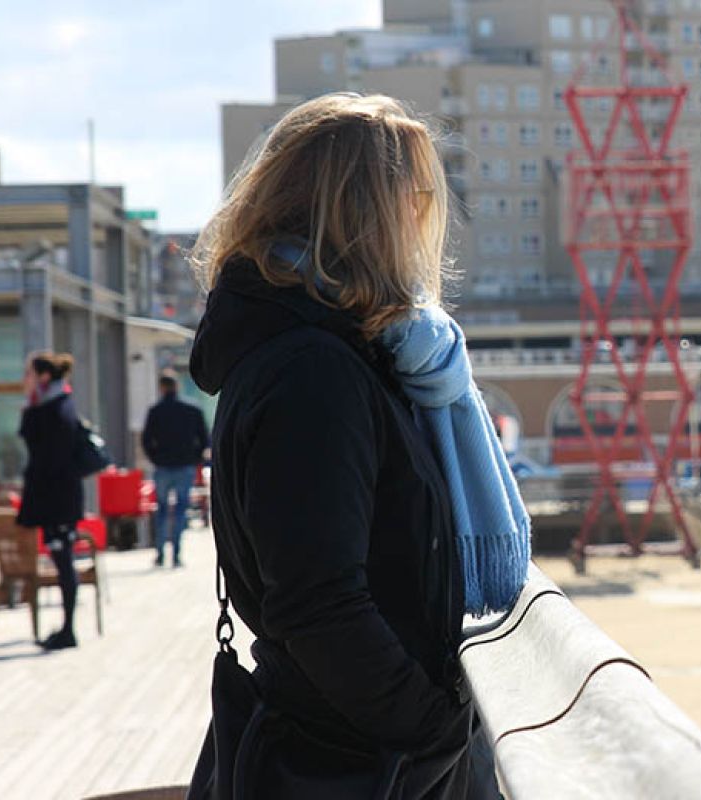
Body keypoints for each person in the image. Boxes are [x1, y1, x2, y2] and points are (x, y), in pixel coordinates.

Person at [187, 93, 509, 798]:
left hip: (346, 740)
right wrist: (435, 728)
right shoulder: (313, 371)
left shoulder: (317, 348)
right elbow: (317, 600)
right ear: (365, 212)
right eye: (414, 194)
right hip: (357, 761)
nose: (421, 217)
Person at [18, 351, 84, 651]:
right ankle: (66, 627)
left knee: (63, 559)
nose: (24, 380)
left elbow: (51, 457)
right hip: (57, 498)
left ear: (43, 377)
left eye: (28, 374)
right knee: (62, 559)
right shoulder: (52, 405)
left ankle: (68, 629)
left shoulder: (53, 408)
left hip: (57, 500)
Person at [141, 369, 208, 568]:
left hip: (162, 466)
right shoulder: (192, 409)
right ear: (176, 385)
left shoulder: (155, 411)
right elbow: (204, 438)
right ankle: (177, 554)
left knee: (161, 510)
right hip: (185, 466)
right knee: (180, 510)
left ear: (161, 387)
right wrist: (194, 458)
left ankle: (161, 553)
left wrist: (155, 458)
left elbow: (146, 440)